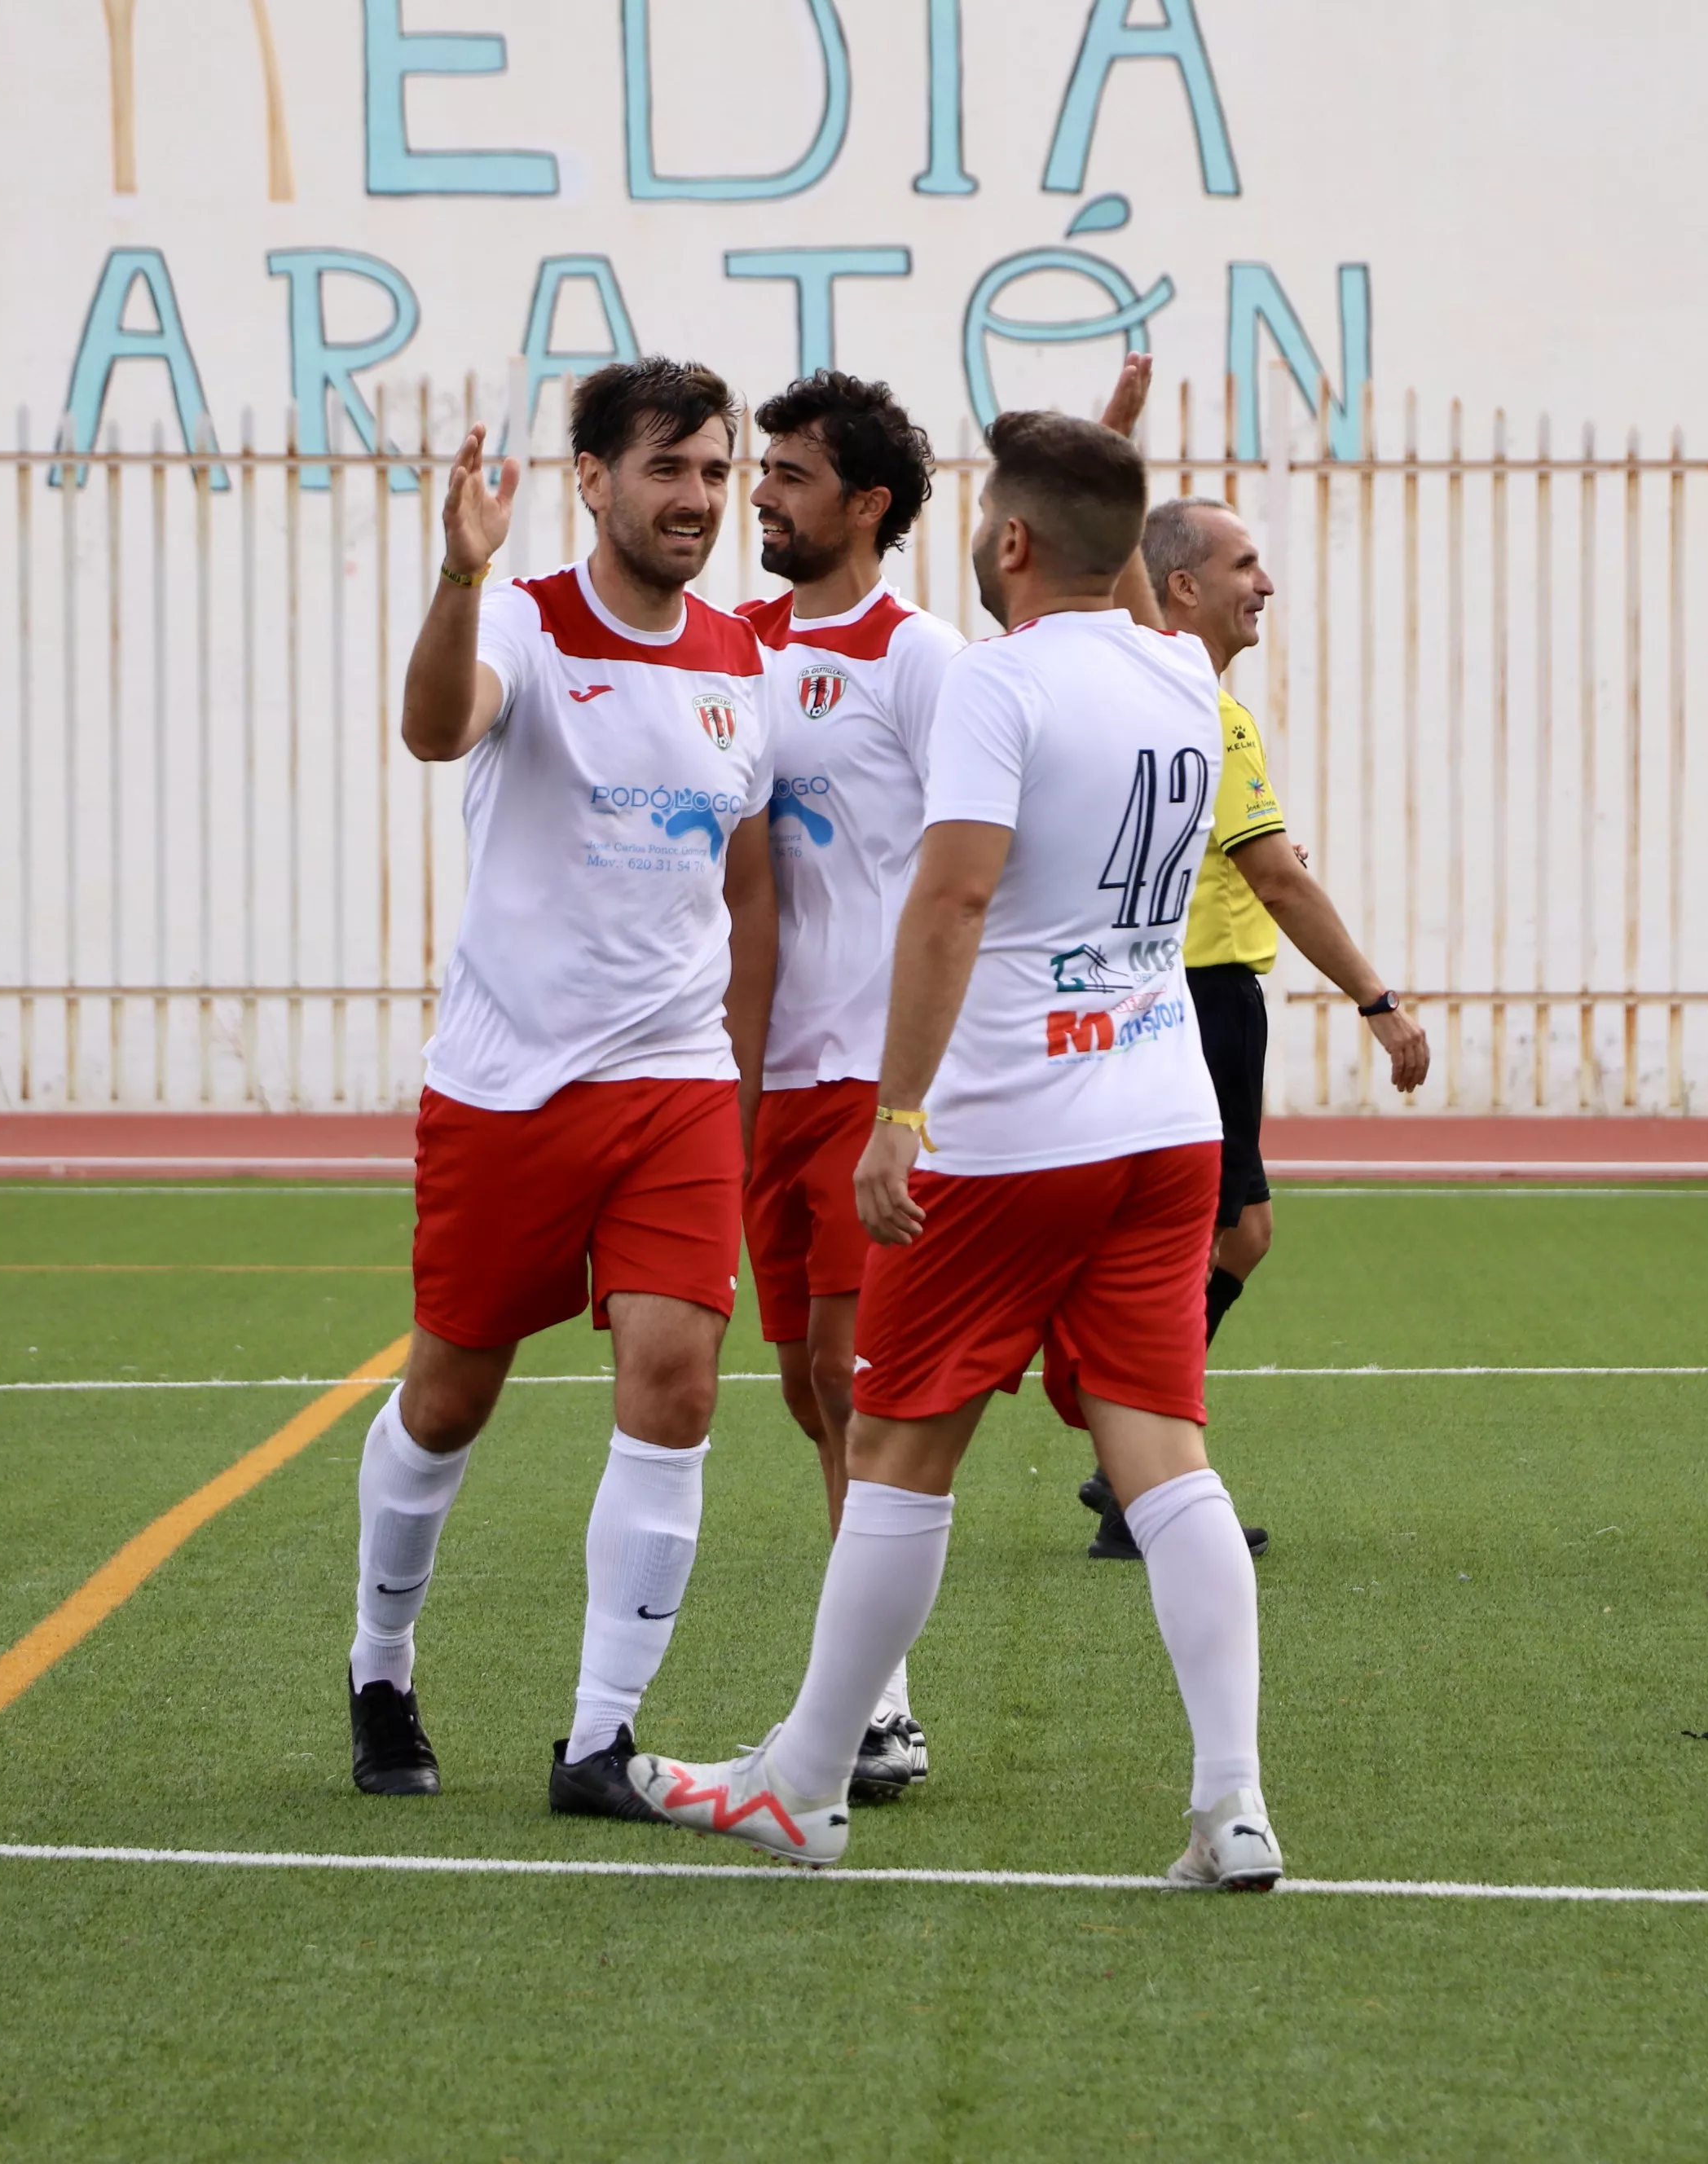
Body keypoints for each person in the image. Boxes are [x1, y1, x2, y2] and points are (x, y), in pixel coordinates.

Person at [632, 409, 1283, 1889]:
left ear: (1006, 546)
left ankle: (806, 1778)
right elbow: (1104, 585)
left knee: (896, 1448)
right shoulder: (1183, 673)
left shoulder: (993, 685)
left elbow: (951, 905)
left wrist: (901, 1113)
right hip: (1164, 1119)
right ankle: (1232, 1802)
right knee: (1166, 1457)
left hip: (1011, 1135)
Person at [346, 358, 777, 1811]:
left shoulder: (742, 662)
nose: (698, 500)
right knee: (448, 1401)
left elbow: (751, 883)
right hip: (509, 1088)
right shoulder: (525, 621)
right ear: (591, 478)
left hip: (676, 1083)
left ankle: (600, 1736)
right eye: (667, 469)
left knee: (677, 1380)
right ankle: (382, 1663)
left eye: (717, 471)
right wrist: (459, 575)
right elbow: (432, 727)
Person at [1076, 494, 1429, 1562]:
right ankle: (1137, 1468)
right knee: (1214, 1235)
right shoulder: (1206, 715)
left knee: (1233, 1232)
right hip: (1204, 994)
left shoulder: (1159, 701)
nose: (1264, 583)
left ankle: (1128, 1463)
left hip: (1185, 994)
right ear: (1182, 588)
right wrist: (1379, 1001)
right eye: (1244, 563)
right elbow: (1276, 879)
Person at [732, 370, 967, 1803]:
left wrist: (929, 1081)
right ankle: (865, 1682)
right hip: (756, 1070)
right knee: (807, 1393)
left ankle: (875, 1703)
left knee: (849, 1379)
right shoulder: (724, 642)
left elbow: (972, 865)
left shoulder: (919, 656)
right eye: (760, 468)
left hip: (874, 1073)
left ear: (867, 505)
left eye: (790, 473)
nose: (759, 491)